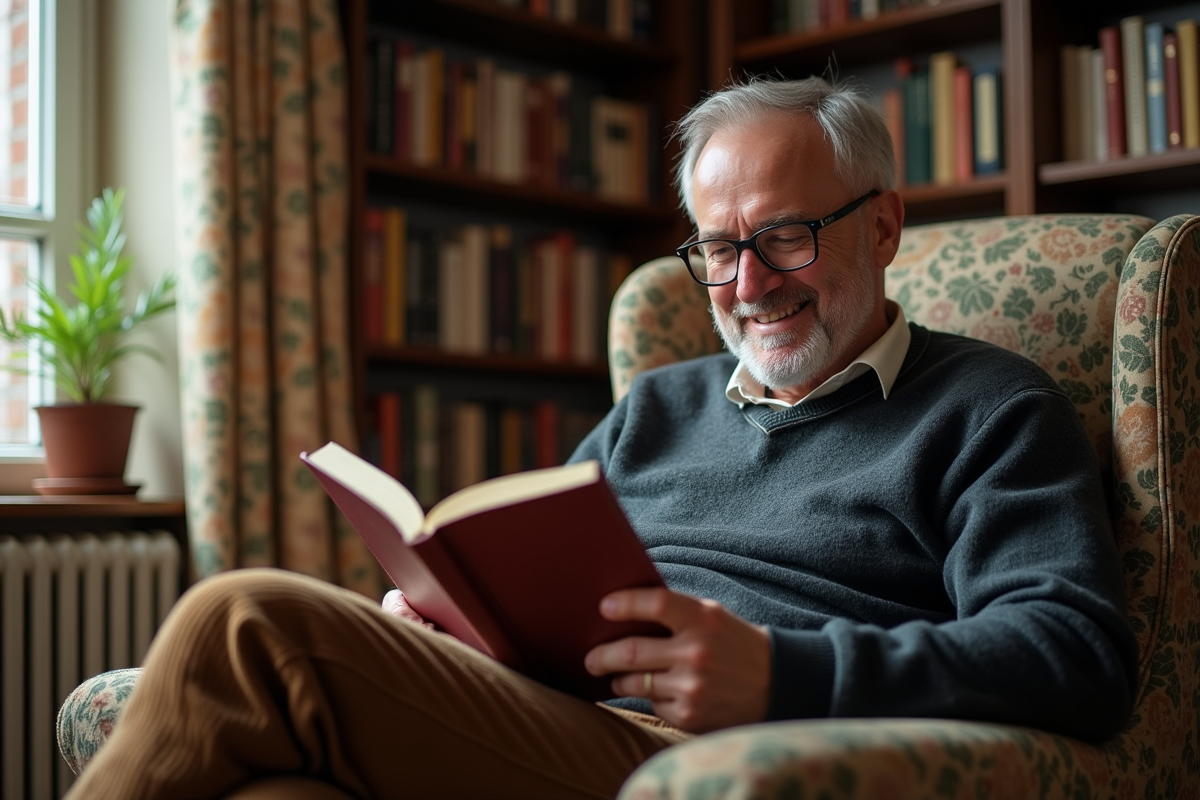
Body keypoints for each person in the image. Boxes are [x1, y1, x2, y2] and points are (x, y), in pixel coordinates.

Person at [64, 76, 1138, 800]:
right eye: (718, 250)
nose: (748, 286)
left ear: (885, 226)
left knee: (245, 615)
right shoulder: (658, 406)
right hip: (558, 715)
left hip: (704, 753)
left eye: (785, 238)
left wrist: (783, 672)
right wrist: (452, 627)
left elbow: (1074, 654)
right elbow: (534, 579)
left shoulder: (992, 408)